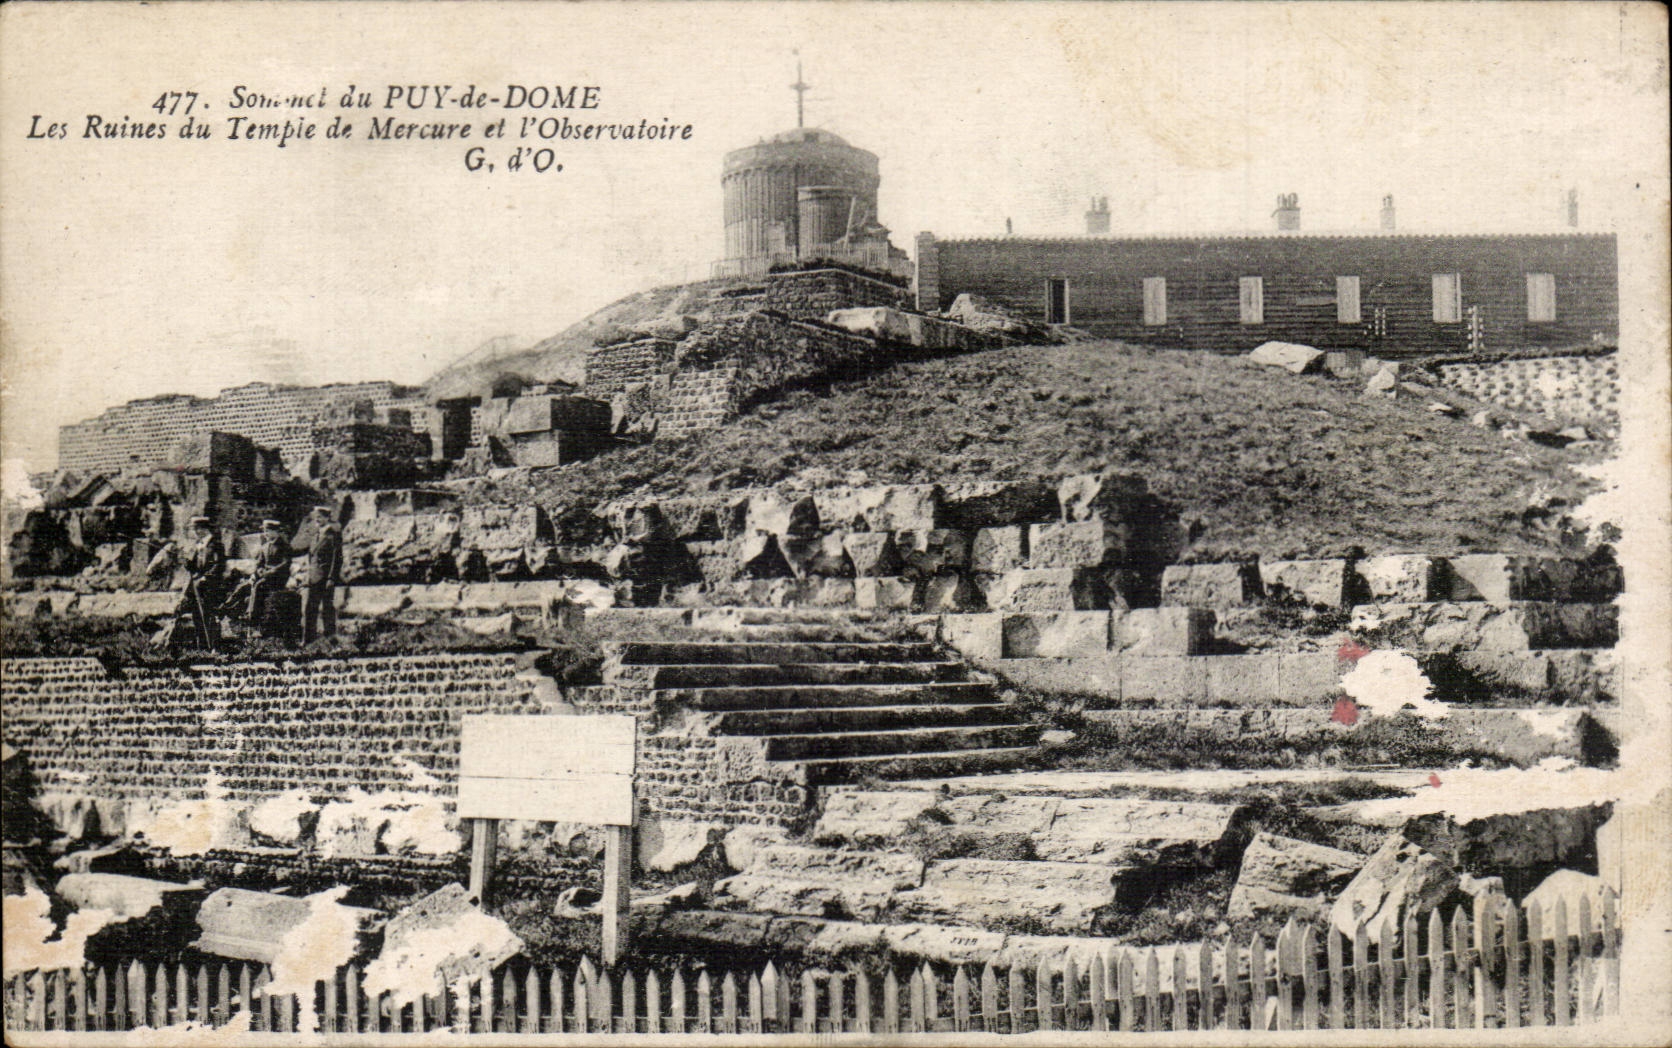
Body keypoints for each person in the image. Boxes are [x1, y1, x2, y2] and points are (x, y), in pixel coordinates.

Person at [174, 516, 225, 651]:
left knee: (209, 615)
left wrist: (206, 578)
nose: (195, 532)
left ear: (203, 529)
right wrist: (187, 563)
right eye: (194, 529)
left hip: (211, 586)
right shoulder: (199, 545)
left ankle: (214, 646)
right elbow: (195, 567)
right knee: (197, 615)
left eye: (196, 529)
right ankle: (202, 647)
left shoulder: (216, 544)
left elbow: (219, 565)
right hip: (198, 587)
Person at [302, 506, 342, 643]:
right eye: (315, 518)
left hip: (326, 578)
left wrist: (331, 578)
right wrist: (308, 575)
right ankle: (308, 639)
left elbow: (336, 559)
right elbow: (311, 558)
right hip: (314, 578)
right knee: (310, 608)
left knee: (327, 609)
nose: (317, 520)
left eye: (320, 517)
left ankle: (330, 638)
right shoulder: (315, 536)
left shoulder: (333, 536)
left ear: (327, 518)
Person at [247, 519, 291, 635]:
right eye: (264, 531)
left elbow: (285, 563)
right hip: (265, 576)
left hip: (278, 577)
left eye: (268, 531)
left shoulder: (284, 545)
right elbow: (259, 563)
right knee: (246, 585)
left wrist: (270, 572)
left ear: (276, 532)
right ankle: (229, 608)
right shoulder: (265, 546)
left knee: (259, 586)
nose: (265, 534)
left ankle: (254, 620)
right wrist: (254, 574)